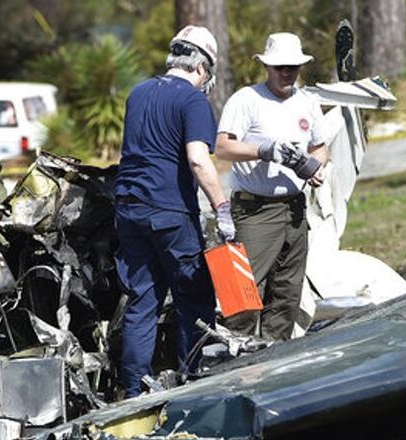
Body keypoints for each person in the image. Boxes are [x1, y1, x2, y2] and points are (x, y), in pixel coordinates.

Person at [114, 25, 234, 398]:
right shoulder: (193, 100)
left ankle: (132, 391)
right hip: (169, 211)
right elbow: (198, 160)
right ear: (201, 66)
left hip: (129, 208)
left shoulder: (138, 93)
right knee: (194, 299)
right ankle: (193, 384)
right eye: (208, 76)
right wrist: (222, 207)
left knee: (142, 302)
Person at [215, 32, 327, 341]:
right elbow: (222, 147)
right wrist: (264, 151)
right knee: (243, 297)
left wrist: (316, 166)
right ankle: (234, 361)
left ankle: (274, 358)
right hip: (254, 210)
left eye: (293, 67)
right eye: (281, 67)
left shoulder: (308, 102)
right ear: (267, 67)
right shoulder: (246, 99)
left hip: (294, 210)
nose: (288, 73)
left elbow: (320, 146)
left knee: (287, 296)